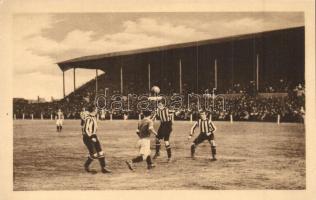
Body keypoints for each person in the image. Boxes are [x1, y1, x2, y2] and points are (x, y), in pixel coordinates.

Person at [82, 107, 111, 174]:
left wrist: (94, 136)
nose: (97, 110)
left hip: (94, 136)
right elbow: (86, 129)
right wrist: (91, 137)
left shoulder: (94, 117)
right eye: (96, 109)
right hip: (87, 137)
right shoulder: (88, 118)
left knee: (100, 153)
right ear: (93, 110)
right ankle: (86, 166)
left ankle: (103, 168)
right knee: (94, 154)